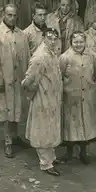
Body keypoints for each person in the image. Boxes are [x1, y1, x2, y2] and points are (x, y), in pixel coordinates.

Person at [0, 4, 31, 158]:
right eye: (9, 15)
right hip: (4, 79)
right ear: (4, 15)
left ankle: (16, 136)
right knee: (5, 109)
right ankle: (8, 141)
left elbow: (27, 57)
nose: (12, 18)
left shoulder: (21, 34)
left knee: (16, 107)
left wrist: (26, 77)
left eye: (14, 15)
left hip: (18, 78)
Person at [22, 28, 63, 176]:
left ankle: (51, 157)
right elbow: (29, 79)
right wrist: (35, 94)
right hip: (43, 97)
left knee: (51, 127)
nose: (52, 41)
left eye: (55, 38)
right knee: (43, 128)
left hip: (52, 97)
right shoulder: (40, 56)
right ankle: (45, 163)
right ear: (44, 38)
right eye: (49, 38)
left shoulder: (51, 53)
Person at [58, 32, 96, 165]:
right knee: (71, 124)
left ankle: (83, 151)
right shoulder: (65, 57)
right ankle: (69, 152)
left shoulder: (92, 56)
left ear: (85, 42)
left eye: (81, 42)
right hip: (71, 96)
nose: (78, 45)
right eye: (75, 42)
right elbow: (60, 75)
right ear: (71, 43)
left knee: (85, 123)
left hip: (87, 95)